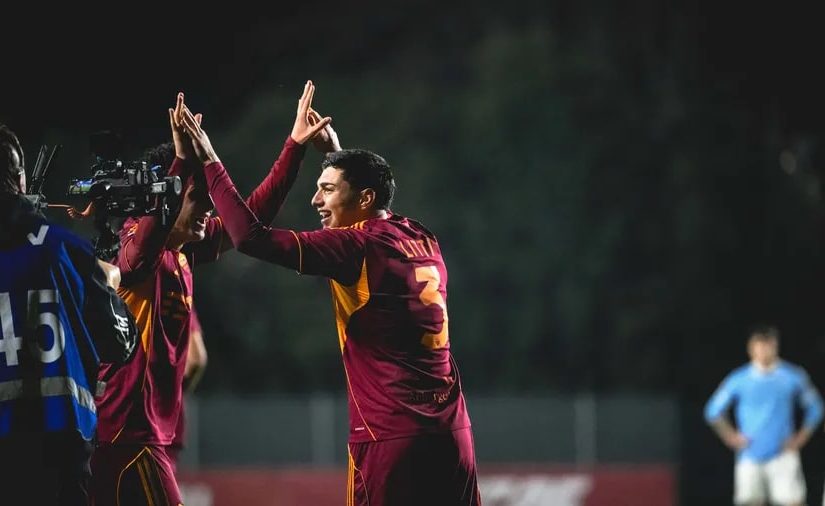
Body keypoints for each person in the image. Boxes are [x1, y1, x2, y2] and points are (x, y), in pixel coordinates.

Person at [180, 94, 482, 505]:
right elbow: (371, 198)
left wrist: (210, 159)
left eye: (327, 190)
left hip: (390, 439)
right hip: (452, 435)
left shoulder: (353, 246)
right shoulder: (419, 234)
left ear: (364, 199)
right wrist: (338, 156)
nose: (316, 201)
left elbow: (247, 237)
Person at [90, 84, 331, 505]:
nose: (207, 206)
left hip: (140, 436)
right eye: (196, 196)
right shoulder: (135, 238)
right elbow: (136, 260)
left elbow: (248, 222)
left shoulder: (182, 251)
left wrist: (293, 148)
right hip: (127, 437)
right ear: (166, 196)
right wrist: (182, 162)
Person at [0, 124, 137, 505]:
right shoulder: (63, 250)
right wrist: (108, 282)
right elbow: (122, 342)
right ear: (20, 179)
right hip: (59, 456)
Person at [704, 324, 823, 506]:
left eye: (768, 345)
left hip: (783, 454)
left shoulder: (792, 376)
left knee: (793, 502)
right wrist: (730, 436)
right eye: (760, 345)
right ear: (751, 348)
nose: (764, 350)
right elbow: (713, 411)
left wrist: (800, 438)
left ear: (776, 346)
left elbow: (815, 408)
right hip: (750, 455)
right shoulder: (738, 379)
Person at [169, 305, 207, 473]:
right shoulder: (181, 297)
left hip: (125, 418)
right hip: (169, 420)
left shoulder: (133, 295)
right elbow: (197, 358)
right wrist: (175, 395)